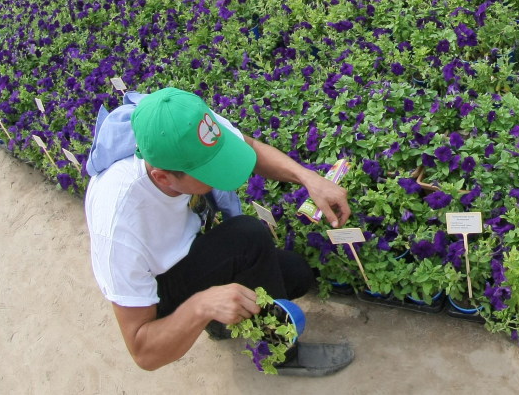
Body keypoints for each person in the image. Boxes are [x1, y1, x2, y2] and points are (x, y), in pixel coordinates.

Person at [84, 87, 354, 375]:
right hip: (161, 287)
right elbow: (143, 351)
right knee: (247, 237)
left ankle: (222, 322)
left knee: (296, 276)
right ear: (163, 177)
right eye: (208, 172)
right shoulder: (118, 224)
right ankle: (279, 354)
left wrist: (308, 178)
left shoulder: (184, 126)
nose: (222, 177)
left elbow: (248, 146)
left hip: (193, 244)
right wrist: (201, 306)